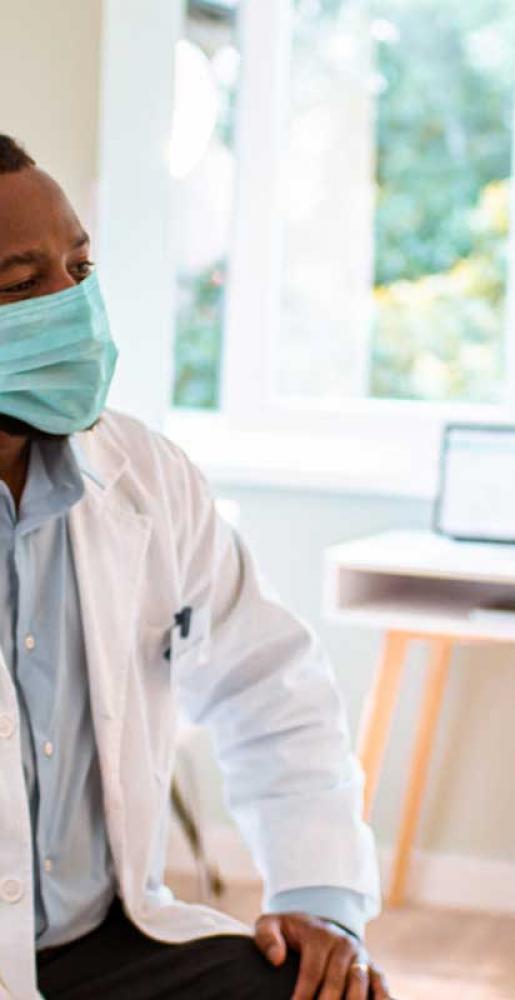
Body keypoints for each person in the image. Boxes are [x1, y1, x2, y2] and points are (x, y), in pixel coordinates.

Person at [0, 135, 389, 1000]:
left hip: (110, 943)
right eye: (20, 287)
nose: (70, 306)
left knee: (335, 993)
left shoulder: (143, 476)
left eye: (80, 267)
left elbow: (268, 685)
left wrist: (317, 897)